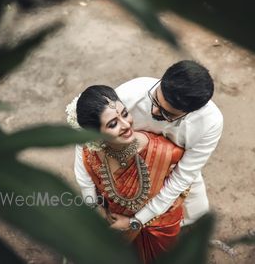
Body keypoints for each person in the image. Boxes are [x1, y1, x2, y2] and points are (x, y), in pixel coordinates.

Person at [74, 60, 223, 229]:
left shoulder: (209, 124)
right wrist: (91, 202)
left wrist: (136, 222)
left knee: (194, 214)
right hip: (125, 161)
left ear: (189, 113)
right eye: (155, 100)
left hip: (175, 168)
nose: (154, 112)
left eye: (167, 113)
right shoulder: (132, 92)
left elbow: (183, 176)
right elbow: (84, 140)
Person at [67, 85, 186, 264]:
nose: (126, 125)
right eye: (113, 124)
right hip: (111, 223)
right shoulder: (89, 152)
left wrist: (134, 223)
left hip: (156, 226)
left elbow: (177, 191)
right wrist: (97, 210)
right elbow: (86, 184)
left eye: (124, 114)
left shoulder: (163, 152)